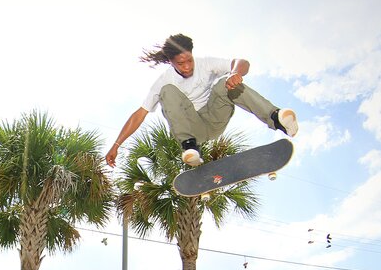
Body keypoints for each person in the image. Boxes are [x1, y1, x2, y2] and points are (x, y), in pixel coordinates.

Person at [105, 33, 298, 169]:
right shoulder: (164, 80)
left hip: (215, 118)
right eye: (181, 63)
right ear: (171, 61)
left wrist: (235, 73)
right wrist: (116, 145)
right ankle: (190, 147)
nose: (187, 67)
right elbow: (139, 115)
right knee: (167, 91)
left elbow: (241, 62)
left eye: (189, 60)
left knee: (225, 83)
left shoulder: (206, 64)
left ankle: (276, 118)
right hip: (192, 128)